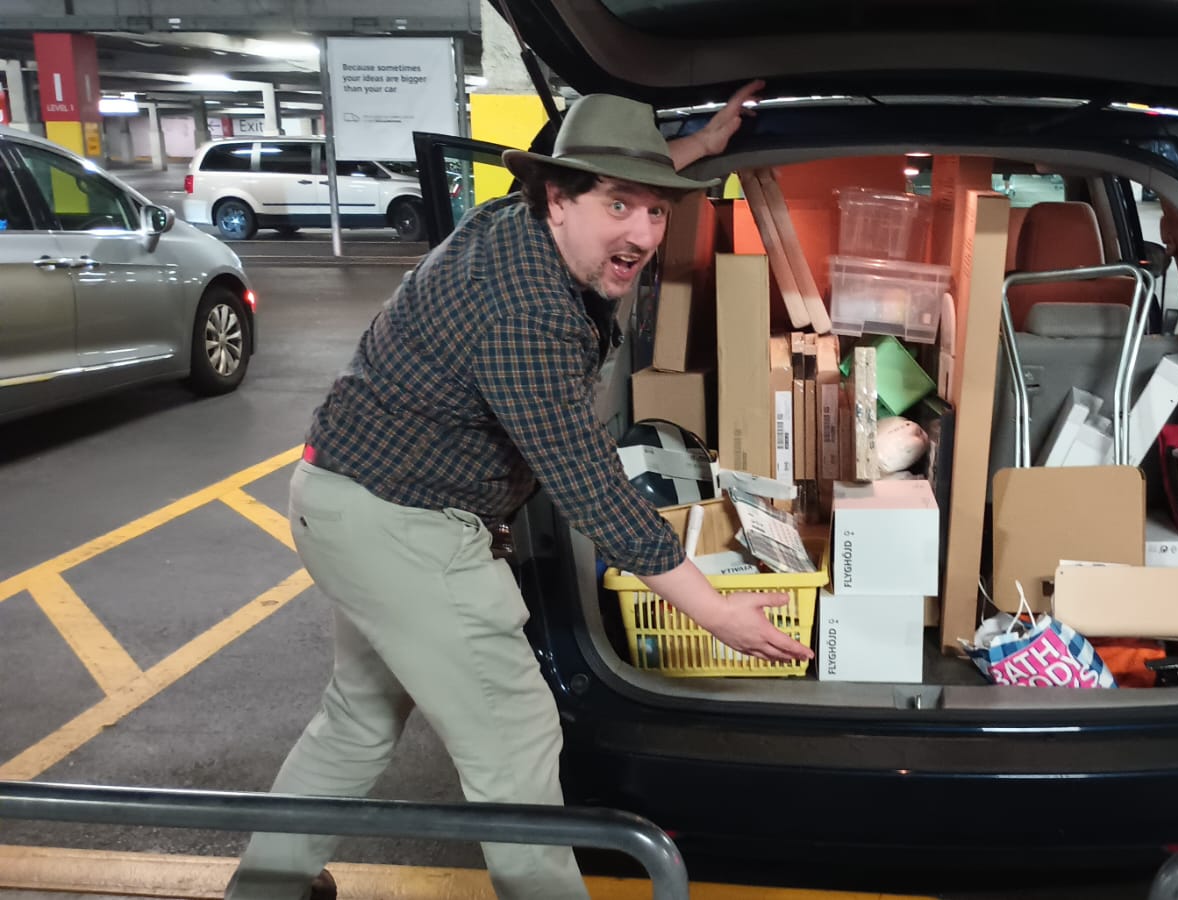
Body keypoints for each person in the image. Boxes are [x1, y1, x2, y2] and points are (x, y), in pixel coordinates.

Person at [225, 80, 811, 900]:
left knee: (360, 717)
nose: (644, 234)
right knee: (516, 740)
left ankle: (266, 888)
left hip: (345, 499)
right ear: (557, 199)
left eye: (656, 210)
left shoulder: (517, 218)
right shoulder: (526, 311)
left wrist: (702, 148)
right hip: (405, 528)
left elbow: (612, 182)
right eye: (621, 208)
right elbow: (590, 485)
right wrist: (716, 613)